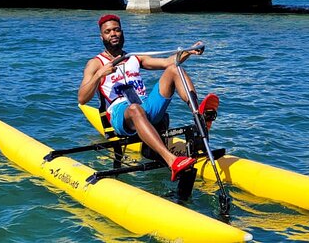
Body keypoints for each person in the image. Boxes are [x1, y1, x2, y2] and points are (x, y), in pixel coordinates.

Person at [78, 14, 218, 182]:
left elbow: (168, 61)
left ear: (122, 32)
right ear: (102, 37)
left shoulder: (135, 57)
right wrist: (100, 74)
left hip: (145, 107)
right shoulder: (95, 63)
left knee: (174, 69)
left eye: (116, 30)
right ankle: (171, 160)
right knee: (135, 110)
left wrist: (189, 51)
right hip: (121, 114)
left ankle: (199, 115)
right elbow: (82, 98)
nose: (113, 34)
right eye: (108, 32)